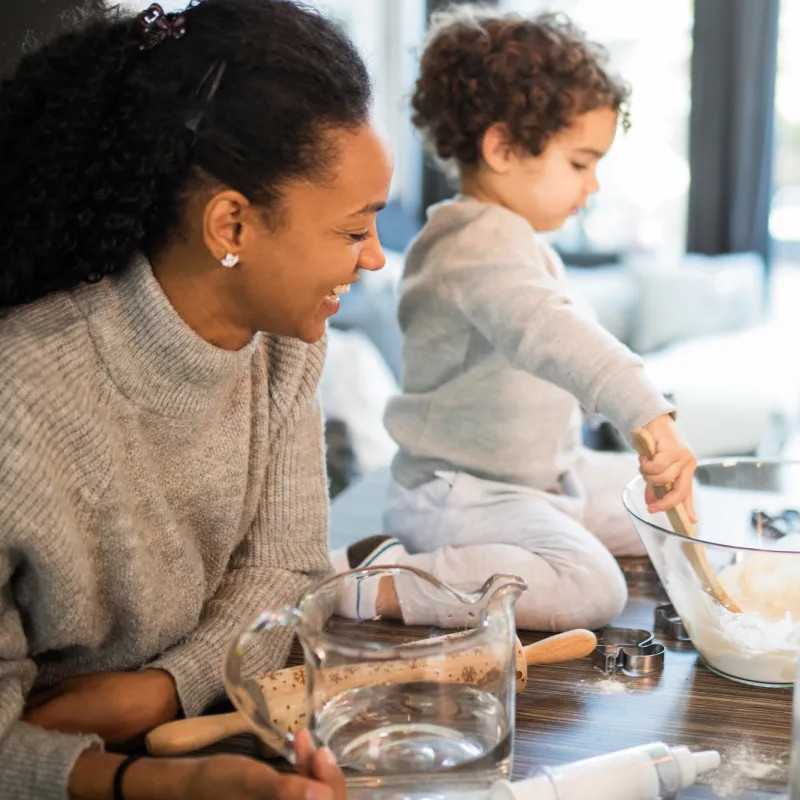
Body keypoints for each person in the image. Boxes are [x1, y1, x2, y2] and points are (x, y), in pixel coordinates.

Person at [0, 1, 392, 798]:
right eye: (354, 232)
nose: (377, 260)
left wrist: (166, 687)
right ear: (232, 225)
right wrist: (167, 785)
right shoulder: (20, 397)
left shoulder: (286, 349)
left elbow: (286, 566)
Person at [332, 6, 696, 633]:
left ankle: (538, 543)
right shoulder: (470, 244)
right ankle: (380, 582)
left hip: (543, 480)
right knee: (590, 589)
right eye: (581, 162)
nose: (594, 185)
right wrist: (644, 406)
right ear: (501, 147)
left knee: (674, 509)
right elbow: (550, 332)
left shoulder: (517, 240)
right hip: (461, 494)